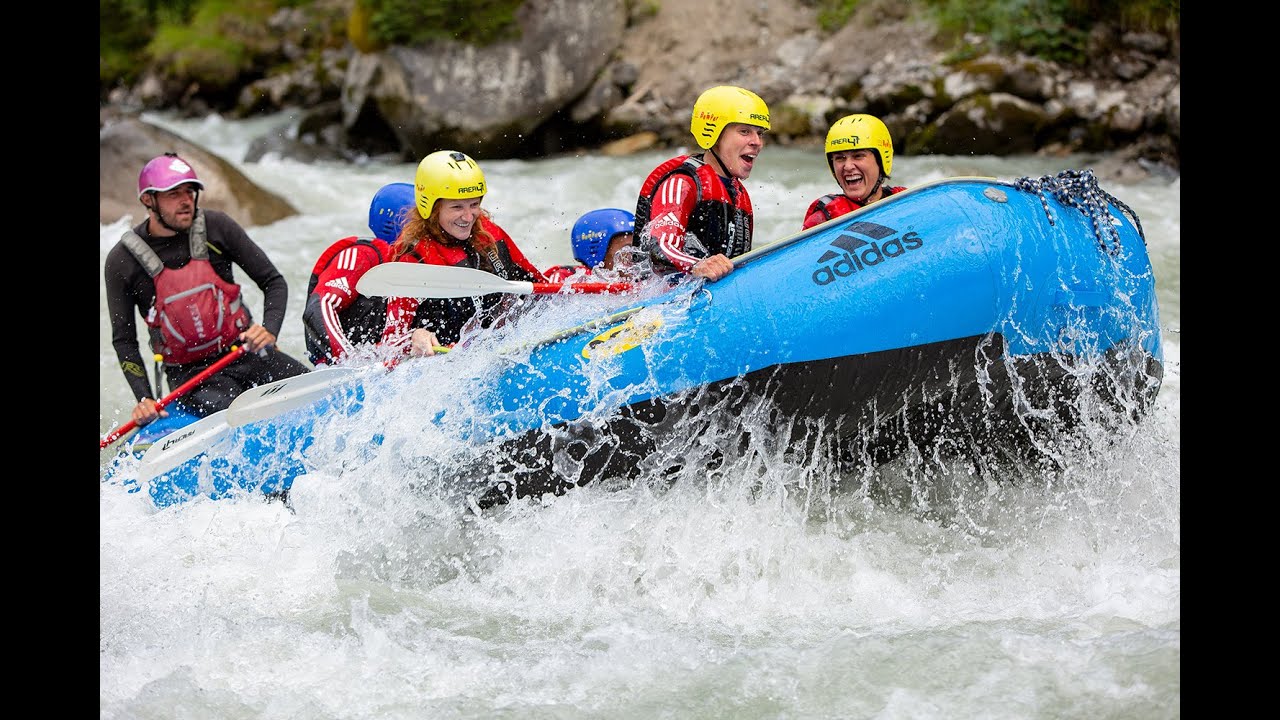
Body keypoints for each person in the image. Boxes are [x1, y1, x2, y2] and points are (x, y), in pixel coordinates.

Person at [105, 152, 310, 426]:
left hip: (245, 351)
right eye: (173, 194)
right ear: (148, 200)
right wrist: (144, 399)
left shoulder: (217, 227)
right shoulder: (122, 261)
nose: (185, 201)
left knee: (310, 390)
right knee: (235, 414)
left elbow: (273, 281)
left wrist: (269, 329)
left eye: (189, 192)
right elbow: (124, 340)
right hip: (191, 375)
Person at [380, 150, 548, 358]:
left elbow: (539, 285)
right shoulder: (411, 258)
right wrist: (414, 337)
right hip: (450, 360)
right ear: (432, 208)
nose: (468, 217)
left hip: (504, 345)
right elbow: (391, 342)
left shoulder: (491, 234)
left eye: (474, 204)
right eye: (457, 207)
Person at [633, 85, 770, 283]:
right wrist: (696, 266)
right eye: (744, 131)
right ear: (713, 134)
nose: (757, 142)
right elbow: (660, 247)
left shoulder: (738, 194)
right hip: (663, 304)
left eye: (760, 133)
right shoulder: (682, 184)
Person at [302, 181, 414, 367]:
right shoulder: (361, 255)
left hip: (380, 363)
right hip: (341, 367)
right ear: (400, 224)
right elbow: (319, 307)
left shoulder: (411, 264)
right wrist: (350, 361)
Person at [801, 114, 907, 230]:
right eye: (840, 158)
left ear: (881, 161)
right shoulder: (822, 222)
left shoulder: (907, 203)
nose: (848, 166)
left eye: (858, 156)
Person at [543, 208, 636, 281]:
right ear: (598, 254)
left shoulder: (641, 279)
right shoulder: (567, 278)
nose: (634, 256)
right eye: (627, 249)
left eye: (636, 248)